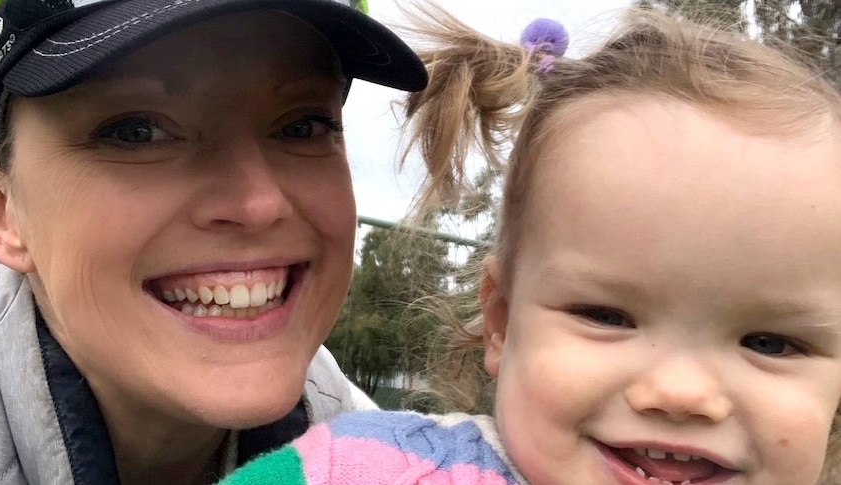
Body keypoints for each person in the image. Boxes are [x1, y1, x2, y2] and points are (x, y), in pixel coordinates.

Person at [217, 5, 841, 485]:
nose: (682, 394)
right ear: (502, 322)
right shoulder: (366, 468)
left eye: (771, 343)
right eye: (607, 316)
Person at [0, 0, 427, 483]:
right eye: (137, 131)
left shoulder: (388, 461)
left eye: (303, 126)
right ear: (4, 212)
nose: (258, 205)